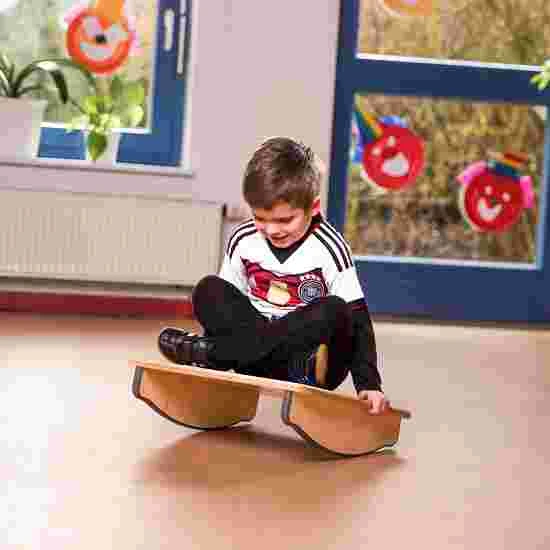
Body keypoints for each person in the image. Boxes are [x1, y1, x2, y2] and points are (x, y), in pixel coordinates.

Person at [158, 137, 390, 414]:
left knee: (337, 310)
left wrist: (369, 383)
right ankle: (233, 355)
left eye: (284, 220)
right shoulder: (244, 239)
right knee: (208, 290)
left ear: (313, 207)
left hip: (309, 363)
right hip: (254, 348)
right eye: (260, 218)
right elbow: (225, 309)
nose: (271, 230)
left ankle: (215, 354)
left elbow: (358, 319)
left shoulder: (330, 247)